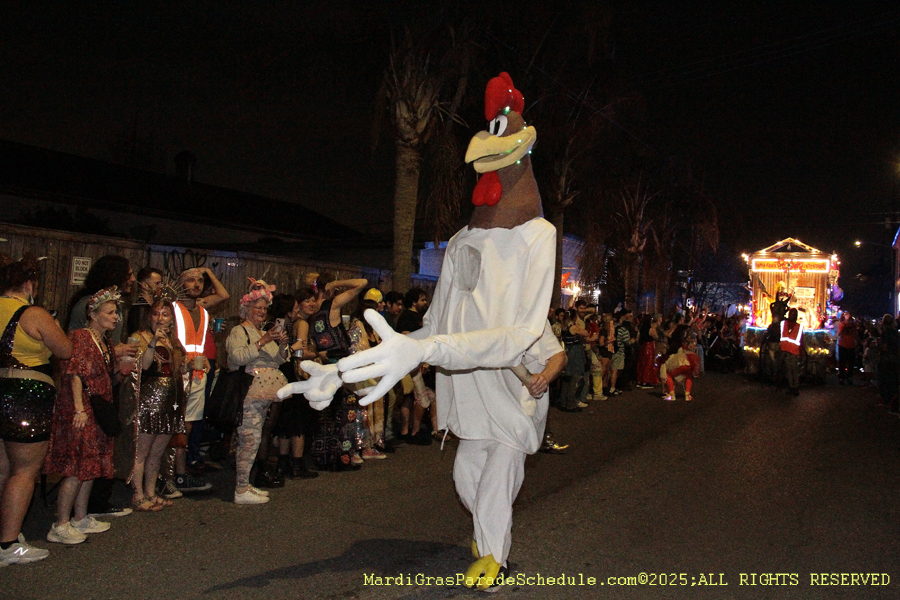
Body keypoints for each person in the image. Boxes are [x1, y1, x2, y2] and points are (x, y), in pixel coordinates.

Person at [0, 257, 72, 566]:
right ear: (29, 284)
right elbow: (65, 350)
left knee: (3, 468)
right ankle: (7, 545)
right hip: (26, 396)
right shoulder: (33, 313)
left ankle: (5, 533)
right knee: (24, 471)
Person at [44, 287, 125, 545]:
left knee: (92, 464)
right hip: (82, 408)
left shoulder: (105, 342)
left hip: (99, 406)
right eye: (110, 312)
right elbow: (75, 373)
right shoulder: (80, 337)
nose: (116, 317)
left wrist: (122, 373)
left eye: (116, 312)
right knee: (76, 466)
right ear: (94, 314)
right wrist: (79, 408)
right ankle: (60, 523)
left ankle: (81, 517)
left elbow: (103, 376)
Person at [226, 284, 290, 504]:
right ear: (246, 309)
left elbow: (280, 360)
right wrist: (263, 341)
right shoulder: (239, 331)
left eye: (264, 309)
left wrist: (282, 344)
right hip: (249, 392)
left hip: (264, 394)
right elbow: (237, 358)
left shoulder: (264, 332)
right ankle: (241, 490)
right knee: (249, 440)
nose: (262, 312)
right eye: (258, 308)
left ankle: (246, 485)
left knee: (255, 438)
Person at [122, 294, 186, 511]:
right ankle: (137, 494)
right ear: (149, 316)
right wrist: (152, 342)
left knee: (158, 452)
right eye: (156, 313)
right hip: (150, 400)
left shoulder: (174, 341)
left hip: (170, 401)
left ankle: (150, 491)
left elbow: (177, 368)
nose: (160, 318)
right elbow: (144, 367)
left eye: (165, 314)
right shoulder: (139, 337)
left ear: (171, 318)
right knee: (142, 451)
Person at [171, 267, 228, 494]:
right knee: (176, 424)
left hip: (197, 373)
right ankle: (172, 472)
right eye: (191, 280)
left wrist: (202, 360)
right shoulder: (172, 308)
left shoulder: (203, 311)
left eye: (200, 281)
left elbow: (199, 344)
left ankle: (180, 472)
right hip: (176, 373)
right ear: (180, 283)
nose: (196, 284)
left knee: (189, 423)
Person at [780, 308, 803, 396]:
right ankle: (790, 386)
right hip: (785, 350)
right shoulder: (784, 324)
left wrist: (800, 352)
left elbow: (801, 340)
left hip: (794, 352)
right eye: (791, 314)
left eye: (794, 314)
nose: (792, 316)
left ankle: (795, 387)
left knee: (794, 370)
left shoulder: (799, 326)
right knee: (788, 370)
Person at [837, 313, 858, 385]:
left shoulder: (852, 325)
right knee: (844, 363)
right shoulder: (844, 325)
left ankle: (846, 377)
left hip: (848, 345)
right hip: (844, 345)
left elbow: (855, 334)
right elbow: (839, 334)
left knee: (848, 363)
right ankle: (843, 377)